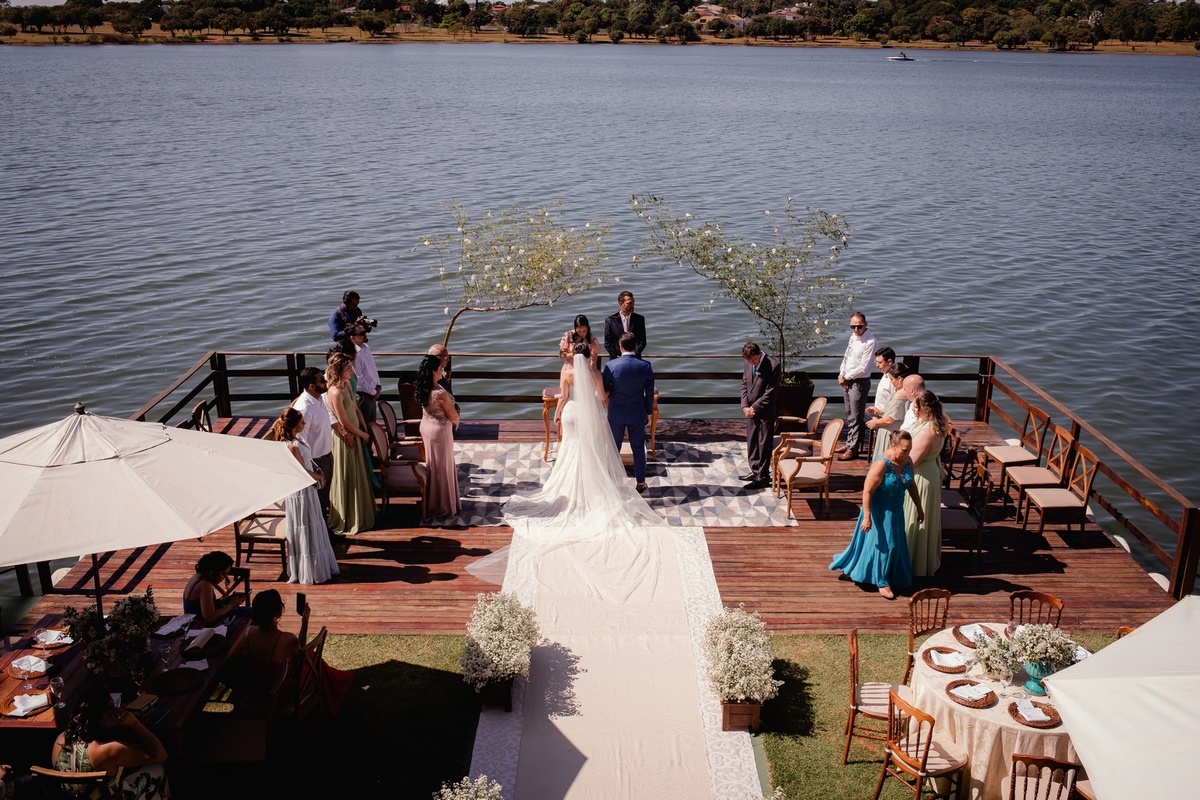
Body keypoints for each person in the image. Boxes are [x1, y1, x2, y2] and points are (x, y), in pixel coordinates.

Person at [504, 344, 660, 540]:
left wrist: (558, 413)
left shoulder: (567, 374)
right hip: (589, 415)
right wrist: (607, 399)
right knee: (589, 448)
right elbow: (603, 397)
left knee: (570, 448)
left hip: (571, 413)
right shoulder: (595, 374)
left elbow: (562, 397)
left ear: (573, 357)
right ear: (588, 357)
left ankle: (569, 490)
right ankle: (593, 486)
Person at [829, 430, 924, 600]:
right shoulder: (881, 464)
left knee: (895, 543)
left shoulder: (907, 460)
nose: (907, 453)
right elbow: (867, 491)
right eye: (904, 449)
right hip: (880, 509)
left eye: (909, 449)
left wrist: (919, 507)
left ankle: (890, 574)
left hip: (896, 509)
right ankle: (881, 581)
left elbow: (911, 485)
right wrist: (867, 516)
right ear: (893, 445)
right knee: (888, 545)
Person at [231, 590, 352, 719]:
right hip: (281, 693)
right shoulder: (286, 639)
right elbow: (302, 650)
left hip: (257, 687)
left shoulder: (249, 632)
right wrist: (305, 621)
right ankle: (330, 691)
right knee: (312, 659)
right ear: (278, 612)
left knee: (311, 659)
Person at [51, 688, 170, 800]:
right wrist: (135, 724)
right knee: (157, 768)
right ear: (97, 716)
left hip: (77, 795)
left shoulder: (60, 739)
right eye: (110, 710)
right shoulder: (107, 750)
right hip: (109, 796)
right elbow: (160, 755)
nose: (116, 712)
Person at [270, 408, 340, 585]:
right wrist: (319, 477)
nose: (304, 424)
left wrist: (317, 469)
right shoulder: (292, 446)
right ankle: (309, 568)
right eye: (301, 422)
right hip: (301, 492)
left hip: (309, 488)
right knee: (306, 525)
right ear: (294, 425)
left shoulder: (298, 439)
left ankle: (317, 565)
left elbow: (309, 461)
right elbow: (302, 471)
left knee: (313, 523)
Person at [325, 352, 375, 534]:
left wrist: (364, 428)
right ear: (339, 369)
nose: (351, 370)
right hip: (347, 437)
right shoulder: (335, 392)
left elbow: (355, 408)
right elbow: (343, 420)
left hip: (357, 432)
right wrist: (361, 434)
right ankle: (348, 516)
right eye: (347, 367)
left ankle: (361, 511)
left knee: (359, 473)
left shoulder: (347, 385)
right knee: (349, 474)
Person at [602, 333, 655, 493]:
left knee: (613, 448)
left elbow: (604, 389)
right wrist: (649, 412)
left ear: (620, 346)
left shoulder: (611, 366)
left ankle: (611, 480)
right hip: (637, 411)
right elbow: (649, 392)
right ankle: (640, 482)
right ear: (636, 346)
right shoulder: (645, 366)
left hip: (616, 412)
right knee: (638, 448)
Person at [904, 390, 950, 577]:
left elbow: (912, 461)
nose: (913, 410)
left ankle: (914, 563)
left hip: (921, 477)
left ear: (927, 409)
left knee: (915, 517)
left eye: (916, 407)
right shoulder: (940, 420)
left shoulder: (928, 433)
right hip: (929, 470)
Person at [416, 353, 461, 519]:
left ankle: (432, 501)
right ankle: (445, 505)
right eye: (440, 368)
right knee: (444, 466)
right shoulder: (439, 393)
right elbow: (453, 416)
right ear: (434, 371)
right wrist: (457, 420)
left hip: (426, 426)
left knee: (433, 465)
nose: (442, 371)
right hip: (440, 430)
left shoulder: (422, 387)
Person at [291, 367, 336, 522]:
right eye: (322, 380)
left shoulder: (319, 399)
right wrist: (313, 468)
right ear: (311, 386)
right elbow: (300, 442)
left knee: (324, 499)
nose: (326, 382)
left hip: (327, 457)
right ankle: (321, 538)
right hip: (316, 462)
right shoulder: (304, 408)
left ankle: (326, 532)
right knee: (317, 502)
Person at [836, 311, 877, 461]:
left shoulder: (871, 342)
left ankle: (853, 449)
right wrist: (841, 374)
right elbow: (846, 357)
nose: (855, 330)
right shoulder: (853, 337)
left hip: (859, 382)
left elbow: (863, 368)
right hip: (847, 380)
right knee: (849, 414)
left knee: (856, 416)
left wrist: (845, 377)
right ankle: (849, 443)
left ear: (865, 324)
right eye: (852, 326)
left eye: (859, 327)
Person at [739, 342, 780, 490]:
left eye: (754, 360)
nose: (752, 363)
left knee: (763, 445)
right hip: (750, 412)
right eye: (749, 361)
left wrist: (754, 407)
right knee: (752, 442)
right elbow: (744, 384)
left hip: (765, 412)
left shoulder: (773, 365)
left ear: (759, 353)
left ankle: (762, 477)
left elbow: (770, 394)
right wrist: (744, 406)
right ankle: (754, 470)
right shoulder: (748, 362)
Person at [182, 551, 248, 626]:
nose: (225, 577)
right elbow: (210, 617)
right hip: (199, 626)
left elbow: (202, 606)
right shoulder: (204, 585)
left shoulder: (197, 577)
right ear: (211, 572)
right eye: (223, 574)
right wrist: (231, 605)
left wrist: (226, 600)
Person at [867, 361, 909, 461]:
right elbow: (896, 412)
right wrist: (880, 412)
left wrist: (875, 422)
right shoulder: (903, 391)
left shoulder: (900, 395)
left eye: (892, 379)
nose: (891, 382)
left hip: (890, 432)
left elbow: (889, 420)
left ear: (899, 379)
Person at [349, 325, 381, 426]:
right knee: (365, 425)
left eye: (365, 332)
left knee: (373, 424)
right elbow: (359, 378)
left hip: (372, 391)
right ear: (352, 337)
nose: (365, 335)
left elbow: (373, 368)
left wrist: (378, 386)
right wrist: (372, 392)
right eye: (361, 334)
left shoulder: (366, 347)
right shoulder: (355, 354)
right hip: (363, 395)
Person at [603, 291, 646, 361]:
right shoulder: (610, 321)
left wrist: (633, 355)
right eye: (629, 303)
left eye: (633, 303)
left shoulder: (639, 319)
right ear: (621, 303)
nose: (632, 305)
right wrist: (617, 357)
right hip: (616, 359)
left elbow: (642, 341)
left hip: (635, 358)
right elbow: (608, 343)